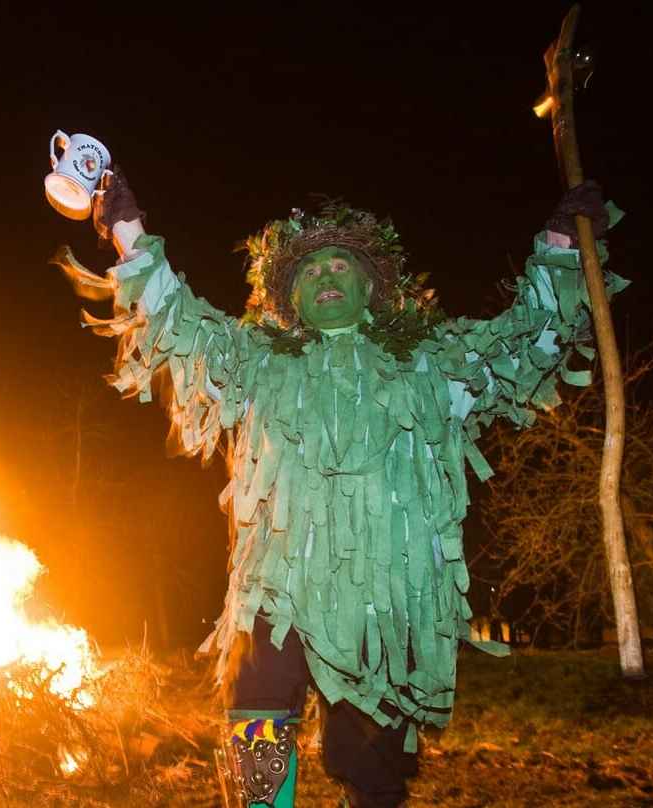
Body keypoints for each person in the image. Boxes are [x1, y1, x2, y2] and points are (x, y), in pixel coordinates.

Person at [54, 166, 620, 807]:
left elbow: (524, 348)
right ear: (290, 299)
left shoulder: (434, 364)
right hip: (278, 588)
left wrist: (562, 251)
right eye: (309, 270)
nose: (325, 275)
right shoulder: (255, 363)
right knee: (258, 714)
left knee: (373, 769)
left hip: (388, 604)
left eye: (340, 266)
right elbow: (176, 320)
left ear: (371, 286)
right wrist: (127, 228)